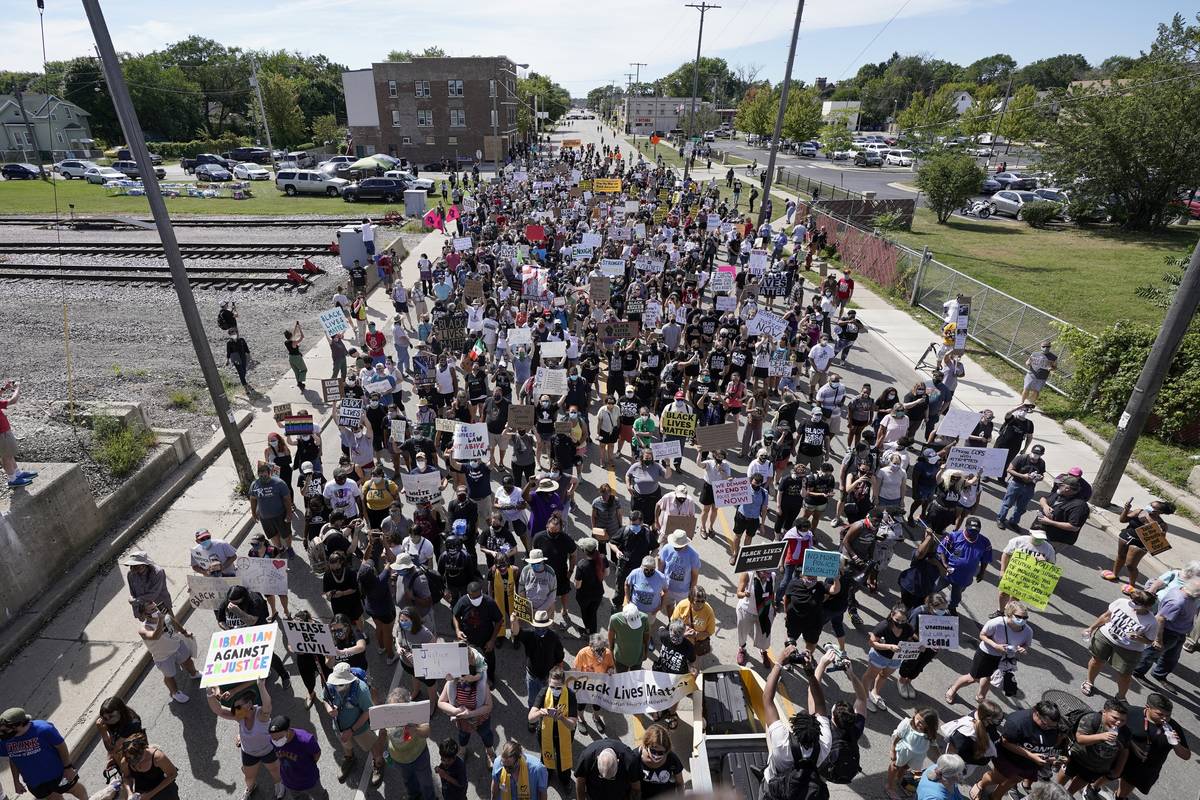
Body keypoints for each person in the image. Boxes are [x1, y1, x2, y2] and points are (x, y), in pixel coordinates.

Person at [206, 678, 286, 800]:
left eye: (238, 706)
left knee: (275, 770)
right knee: (249, 777)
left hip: (268, 750)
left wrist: (261, 686)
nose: (234, 709)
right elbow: (220, 711)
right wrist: (209, 694)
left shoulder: (261, 715)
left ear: (249, 705)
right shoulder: (240, 716)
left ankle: (279, 784)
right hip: (249, 753)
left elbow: (268, 706)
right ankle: (250, 787)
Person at [971, 701, 1062, 800]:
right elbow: (1005, 742)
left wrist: (1052, 758)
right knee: (996, 778)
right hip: (1009, 759)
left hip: (1028, 765)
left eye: (1052, 727)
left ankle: (995, 797)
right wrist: (1031, 756)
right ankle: (980, 785)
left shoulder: (1052, 724)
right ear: (1036, 713)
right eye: (1045, 724)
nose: (1048, 728)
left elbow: (1049, 745)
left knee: (1011, 782)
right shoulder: (1017, 722)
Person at [946, 600, 1032, 704]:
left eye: (1025, 618)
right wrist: (995, 645)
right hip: (986, 655)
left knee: (988, 677)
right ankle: (953, 689)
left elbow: (1026, 644)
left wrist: (1024, 649)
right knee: (973, 678)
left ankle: (981, 696)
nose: (1022, 620)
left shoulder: (1028, 631)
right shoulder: (997, 623)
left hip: (1004, 658)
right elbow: (982, 635)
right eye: (1019, 617)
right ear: (1010, 614)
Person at [1081, 588, 1158, 700]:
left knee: (1125, 675)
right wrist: (1091, 628)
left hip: (1129, 649)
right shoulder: (1121, 602)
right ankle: (1089, 682)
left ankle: (1121, 697)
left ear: (1147, 607)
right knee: (1096, 660)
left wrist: (1138, 638)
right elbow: (1106, 616)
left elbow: (1150, 641)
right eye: (1132, 601)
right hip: (1105, 636)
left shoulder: (1151, 622)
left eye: (1137, 604)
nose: (1132, 605)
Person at [1115, 693, 1191, 800]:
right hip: (1122, 757)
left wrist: (1176, 744)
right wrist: (1129, 744)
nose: (1164, 718)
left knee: (1127, 787)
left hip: (1145, 769)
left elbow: (1186, 756)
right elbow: (1109, 725)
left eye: (1168, 715)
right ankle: (1093, 788)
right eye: (1160, 714)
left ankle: (1119, 797)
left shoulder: (1174, 728)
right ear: (1147, 708)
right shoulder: (1131, 712)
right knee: (1108, 776)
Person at [0, 707, 87, 800]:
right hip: (35, 782)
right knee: (53, 798)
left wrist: (68, 768)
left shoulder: (44, 729)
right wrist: (16, 781)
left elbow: (61, 747)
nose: (2, 734)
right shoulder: (6, 740)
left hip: (58, 774)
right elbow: (13, 758)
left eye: (5, 730)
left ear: (20, 724)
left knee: (73, 789)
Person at [320, 662, 385, 785]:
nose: (337, 686)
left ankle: (378, 764)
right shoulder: (330, 685)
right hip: (339, 727)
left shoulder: (361, 689)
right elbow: (324, 699)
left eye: (341, 683)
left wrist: (352, 730)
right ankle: (350, 759)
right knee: (346, 744)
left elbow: (367, 712)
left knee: (372, 745)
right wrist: (329, 709)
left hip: (360, 728)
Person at [1055, 698, 1130, 797]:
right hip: (1076, 758)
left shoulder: (1124, 732)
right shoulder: (1092, 719)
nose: (1119, 723)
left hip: (1095, 768)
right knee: (1058, 786)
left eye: (1123, 720)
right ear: (1104, 712)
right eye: (1115, 718)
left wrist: (1118, 770)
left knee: (1071, 791)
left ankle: (1066, 797)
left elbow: (1124, 751)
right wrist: (1101, 736)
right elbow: (1080, 739)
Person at [1102, 498, 1176, 592]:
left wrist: (1157, 530)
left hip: (1139, 545)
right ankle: (1114, 574)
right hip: (1125, 537)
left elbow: (1159, 541)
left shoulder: (1162, 524)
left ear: (1159, 512)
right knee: (1120, 557)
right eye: (1150, 503)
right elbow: (1122, 520)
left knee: (1130, 565)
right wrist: (1126, 509)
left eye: (1152, 506)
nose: (1149, 506)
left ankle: (1131, 585)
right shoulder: (1139, 511)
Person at [134, 600, 199, 704]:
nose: (156, 610)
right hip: (163, 656)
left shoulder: (164, 615)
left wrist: (184, 632)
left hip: (177, 645)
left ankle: (194, 673)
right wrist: (160, 620)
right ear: (144, 615)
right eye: (152, 610)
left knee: (188, 660)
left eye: (155, 607)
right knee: (170, 675)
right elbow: (155, 636)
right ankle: (175, 692)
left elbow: (173, 622)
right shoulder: (143, 629)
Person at [1134, 577, 1200, 680]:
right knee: (1151, 654)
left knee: (1171, 657)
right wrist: (1158, 640)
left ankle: (1159, 674)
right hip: (1168, 633)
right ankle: (1138, 672)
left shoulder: (1183, 589)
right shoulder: (1178, 602)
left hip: (1179, 633)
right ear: (1196, 593)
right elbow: (1160, 618)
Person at [440, 652, 497, 764]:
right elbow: (441, 702)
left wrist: (471, 714)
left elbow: (489, 706)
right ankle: (462, 750)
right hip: (462, 720)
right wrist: (455, 711)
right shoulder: (452, 683)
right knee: (463, 735)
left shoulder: (482, 685)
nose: (461, 681)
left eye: (464, 678)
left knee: (486, 734)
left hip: (481, 719)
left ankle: (489, 751)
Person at [528, 666, 577, 793]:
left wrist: (562, 718)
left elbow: (572, 725)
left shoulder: (570, 695)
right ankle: (548, 774)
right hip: (545, 734)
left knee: (563, 761)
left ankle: (565, 780)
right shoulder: (544, 692)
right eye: (552, 687)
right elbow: (530, 718)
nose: (555, 690)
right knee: (546, 757)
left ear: (564, 685)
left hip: (564, 735)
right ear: (548, 683)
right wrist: (540, 712)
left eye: (558, 688)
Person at [511, 610, 566, 720]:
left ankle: (545, 716)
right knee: (532, 700)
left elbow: (560, 657)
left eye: (543, 628)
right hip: (532, 676)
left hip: (548, 677)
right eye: (538, 627)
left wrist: (559, 674)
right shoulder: (529, 635)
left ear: (547, 626)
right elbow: (517, 633)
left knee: (547, 698)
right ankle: (533, 719)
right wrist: (514, 622)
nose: (540, 630)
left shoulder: (554, 637)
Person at [862, 604, 917, 711]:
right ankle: (864, 697)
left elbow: (909, 640)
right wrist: (889, 646)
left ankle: (875, 693)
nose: (900, 623)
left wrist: (917, 647)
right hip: (879, 656)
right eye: (897, 620)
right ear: (892, 615)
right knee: (870, 676)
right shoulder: (883, 626)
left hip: (896, 658)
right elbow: (872, 643)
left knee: (883, 675)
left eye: (903, 621)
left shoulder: (908, 628)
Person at [382, 687, 434, 800]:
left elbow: (426, 732)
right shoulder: (386, 714)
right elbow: (383, 733)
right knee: (408, 780)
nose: (396, 714)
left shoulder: (416, 711)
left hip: (419, 756)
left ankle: (430, 798)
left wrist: (415, 729)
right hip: (399, 759)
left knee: (426, 782)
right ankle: (414, 796)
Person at [935, 517, 992, 615]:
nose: (973, 533)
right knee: (935, 588)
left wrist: (982, 572)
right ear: (966, 527)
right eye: (971, 530)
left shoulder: (985, 542)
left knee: (956, 596)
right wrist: (944, 564)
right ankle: (928, 601)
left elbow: (985, 559)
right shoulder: (954, 536)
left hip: (965, 576)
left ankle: (952, 607)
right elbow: (941, 549)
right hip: (948, 572)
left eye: (976, 531)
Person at [453, 580, 504, 679]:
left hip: (486, 638)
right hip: (468, 637)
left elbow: (499, 620)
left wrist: (492, 640)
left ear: (481, 591)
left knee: (490, 659)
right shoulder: (463, 601)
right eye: (473, 597)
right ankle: (469, 676)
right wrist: (457, 630)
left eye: (478, 596)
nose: (476, 599)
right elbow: (455, 615)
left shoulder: (489, 602)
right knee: (466, 658)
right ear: (468, 594)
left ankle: (490, 677)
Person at [269, 715, 326, 800]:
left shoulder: (306, 740)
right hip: (289, 782)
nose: (276, 741)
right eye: (274, 738)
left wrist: (308, 765)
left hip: (309, 780)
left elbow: (317, 753)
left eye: (280, 737)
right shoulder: (273, 740)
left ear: (288, 730)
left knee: (320, 797)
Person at [995, 444, 1046, 531]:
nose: (1035, 455)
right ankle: (1000, 519)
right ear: (1031, 452)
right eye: (1034, 453)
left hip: (1029, 488)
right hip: (1016, 484)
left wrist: (1040, 478)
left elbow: (1041, 474)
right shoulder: (1021, 458)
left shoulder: (1041, 463)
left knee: (1021, 507)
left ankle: (1013, 522)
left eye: (1038, 454)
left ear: (1041, 455)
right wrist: (1022, 476)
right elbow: (1009, 469)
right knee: (1007, 504)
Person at [574, 739, 642, 800]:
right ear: (597, 759)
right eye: (601, 776)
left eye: (612, 777)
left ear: (618, 761)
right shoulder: (587, 757)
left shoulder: (630, 760)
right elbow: (580, 782)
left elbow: (636, 788)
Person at [0, 379, 37, 487]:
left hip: (4, 431)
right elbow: (12, 401)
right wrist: (17, 388)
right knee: (5, 456)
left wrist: (4, 389)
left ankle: (17, 474)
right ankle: (12, 479)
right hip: (1, 433)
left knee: (9, 453)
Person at [118, 736, 180, 800]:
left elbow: (173, 774)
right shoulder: (126, 761)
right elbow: (126, 777)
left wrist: (149, 795)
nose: (134, 762)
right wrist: (129, 793)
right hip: (142, 792)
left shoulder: (157, 757)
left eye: (137, 758)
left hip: (163, 789)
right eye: (130, 759)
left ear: (144, 749)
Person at [736, 568, 775, 666]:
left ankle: (763, 651)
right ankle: (742, 649)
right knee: (742, 632)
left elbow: (772, 592)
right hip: (747, 610)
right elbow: (738, 593)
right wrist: (744, 593)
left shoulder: (773, 576)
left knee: (765, 634)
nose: (767, 575)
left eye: (768, 572)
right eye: (765, 572)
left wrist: (773, 607)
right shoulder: (748, 574)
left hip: (765, 611)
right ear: (759, 570)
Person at [638, 723, 685, 798]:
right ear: (646, 746)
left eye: (660, 752)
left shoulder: (672, 759)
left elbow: (680, 783)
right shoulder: (636, 757)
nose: (656, 756)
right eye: (653, 751)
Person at [609, 602, 650, 672]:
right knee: (621, 678)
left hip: (638, 658)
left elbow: (646, 638)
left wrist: (646, 653)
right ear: (624, 617)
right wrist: (611, 655)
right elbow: (611, 639)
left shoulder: (644, 618)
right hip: (620, 658)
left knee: (635, 679)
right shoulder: (614, 619)